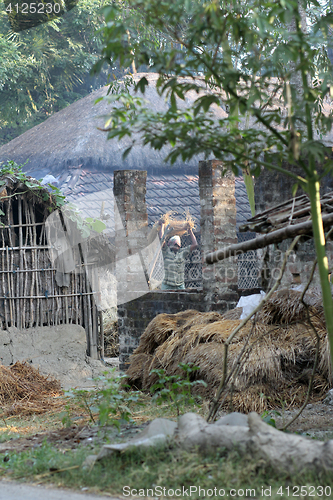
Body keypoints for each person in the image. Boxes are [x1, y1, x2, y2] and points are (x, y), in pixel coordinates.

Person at [158, 220, 198, 290]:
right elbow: (161, 239)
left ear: (179, 246)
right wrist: (162, 226)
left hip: (180, 285)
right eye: (174, 244)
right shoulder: (166, 251)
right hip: (167, 285)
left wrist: (190, 230)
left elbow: (195, 245)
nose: (175, 246)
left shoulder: (182, 252)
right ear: (170, 244)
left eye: (177, 245)